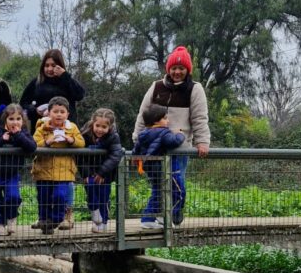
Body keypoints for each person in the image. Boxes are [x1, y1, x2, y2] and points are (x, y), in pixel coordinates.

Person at [132, 45, 210, 226]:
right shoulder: (157, 86)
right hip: (157, 147)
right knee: (159, 185)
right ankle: (156, 217)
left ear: (187, 70)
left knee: (177, 184)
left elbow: (199, 118)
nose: (177, 72)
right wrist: (138, 138)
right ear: (168, 69)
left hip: (179, 146)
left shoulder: (195, 89)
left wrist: (202, 142)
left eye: (181, 68)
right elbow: (143, 113)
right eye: (174, 68)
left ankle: (173, 213)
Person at [31, 97, 85, 234]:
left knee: (60, 196)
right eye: (55, 111)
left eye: (62, 111)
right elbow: (33, 144)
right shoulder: (42, 128)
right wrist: (47, 142)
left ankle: (56, 219)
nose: (59, 114)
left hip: (64, 172)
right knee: (43, 197)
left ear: (67, 114)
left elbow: (81, 142)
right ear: (49, 113)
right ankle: (44, 222)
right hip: (44, 170)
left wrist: (71, 140)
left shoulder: (72, 128)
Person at [0, 103, 37, 235]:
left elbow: (32, 147)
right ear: (5, 119)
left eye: (18, 119)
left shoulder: (23, 132)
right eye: (11, 119)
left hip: (12, 173)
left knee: (13, 196)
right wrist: (1, 140)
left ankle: (11, 217)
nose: (15, 122)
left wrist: (18, 135)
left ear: (22, 120)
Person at [133, 104, 186, 229]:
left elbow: (136, 150)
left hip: (152, 169)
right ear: (157, 120)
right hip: (167, 169)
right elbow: (173, 142)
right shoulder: (163, 132)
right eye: (165, 118)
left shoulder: (143, 134)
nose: (168, 121)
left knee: (158, 192)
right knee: (179, 192)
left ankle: (148, 219)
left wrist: (138, 162)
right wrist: (180, 134)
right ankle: (165, 216)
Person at [80, 108, 124, 233]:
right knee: (91, 190)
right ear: (92, 123)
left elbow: (116, 155)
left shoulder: (113, 136)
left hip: (105, 173)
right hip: (89, 171)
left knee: (104, 197)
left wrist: (101, 172)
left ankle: (103, 223)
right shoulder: (85, 134)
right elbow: (79, 156)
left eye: (104, 127)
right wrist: (86, 173)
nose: (100, 129)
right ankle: (94, 210)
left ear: (110, 126)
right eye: (97, 125)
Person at [20, 49, 85, 132]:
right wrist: (34, 111)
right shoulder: (36, 83)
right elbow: (22, 104)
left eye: (53, 65)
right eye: (47, 66)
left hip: (66, 131)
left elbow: (80, 95)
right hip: (41, 131)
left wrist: (65, 76)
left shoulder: (67, 81)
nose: (50, 69)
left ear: (60, 66)